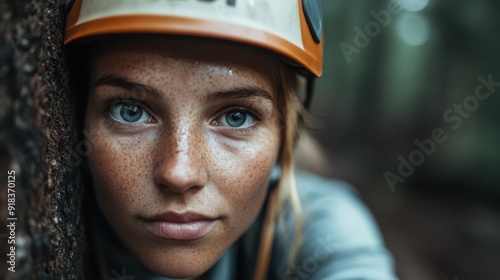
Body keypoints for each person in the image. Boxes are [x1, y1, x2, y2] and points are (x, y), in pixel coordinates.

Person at [64, 0, 398, 279]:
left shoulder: (321, 228)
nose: (180, 174)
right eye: (130, 111)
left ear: (285, 137)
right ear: (79, 119)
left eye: (235, 117)